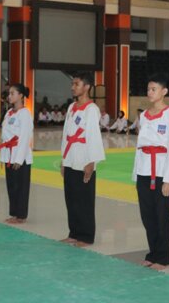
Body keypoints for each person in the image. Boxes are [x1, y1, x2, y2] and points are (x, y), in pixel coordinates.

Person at [132, 74, 169, 271]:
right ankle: (152, 253)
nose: (150, 92)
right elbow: (140, 147)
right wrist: (136, 174)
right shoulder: (143, 116)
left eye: (154, 89)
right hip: (143, 169)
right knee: (147, 215)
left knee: (162, 216)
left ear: (164, 92)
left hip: (160, 171)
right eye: (148, 89)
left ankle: (163, 257)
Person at [60, 73, 106, 247]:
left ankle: (86, 235)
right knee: (71, 197)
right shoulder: (72, 107)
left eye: (76, 84)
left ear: (86, 87)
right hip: (71, 156)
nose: (73, 87)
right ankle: (74, 232)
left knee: (84, 199)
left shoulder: (91, 109)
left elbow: (94, 136)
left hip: (84, 158)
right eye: (72, 84)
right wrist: (64, 160)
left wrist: (91, 162)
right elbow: (66, 134)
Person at [0, 83, 34, 224]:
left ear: (21, 96)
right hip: (8, 153)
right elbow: (5, 136)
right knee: (11, 185)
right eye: (9, 93)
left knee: (21, 186)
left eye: (13, 93)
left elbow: (25, 138)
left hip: (20, 155)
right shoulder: (8, 113)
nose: (9, 96)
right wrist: (3, 156)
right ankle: (14, 213)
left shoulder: (25, 114)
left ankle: (21, 215)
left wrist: (19, 159)